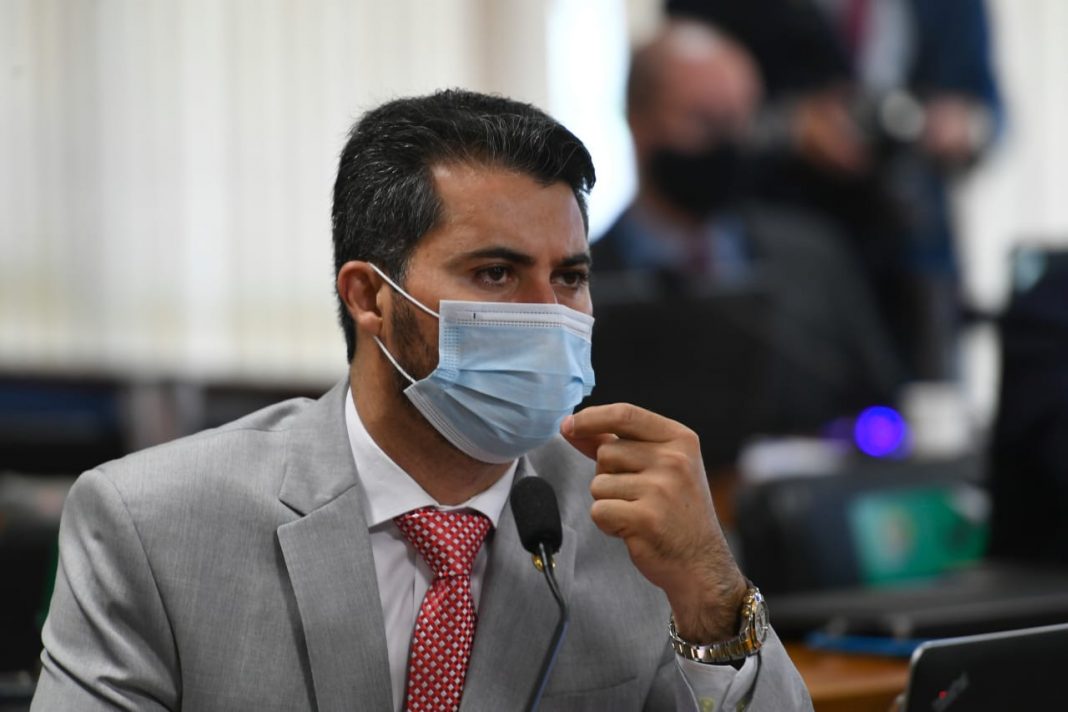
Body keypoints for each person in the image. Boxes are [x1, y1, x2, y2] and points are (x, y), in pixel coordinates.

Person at [31, 90, 812, 710]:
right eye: (496, 274)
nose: (550, 316)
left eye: (569, 277)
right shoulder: (153, 525)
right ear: (370, 297)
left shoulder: (633, 525)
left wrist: (712, 597)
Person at [665, 0, 1003, 381]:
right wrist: (794, 126)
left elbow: (988, 112)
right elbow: (692, 103)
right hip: (782, 244)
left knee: (917, 406)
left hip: (912, 253)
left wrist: (961, 126)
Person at [594, 20, 903, 434]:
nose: (726, 143)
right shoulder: (581, 284)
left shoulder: (814, 257)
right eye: (705, 122)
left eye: (740, 122)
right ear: (638, 119)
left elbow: (883, 407)